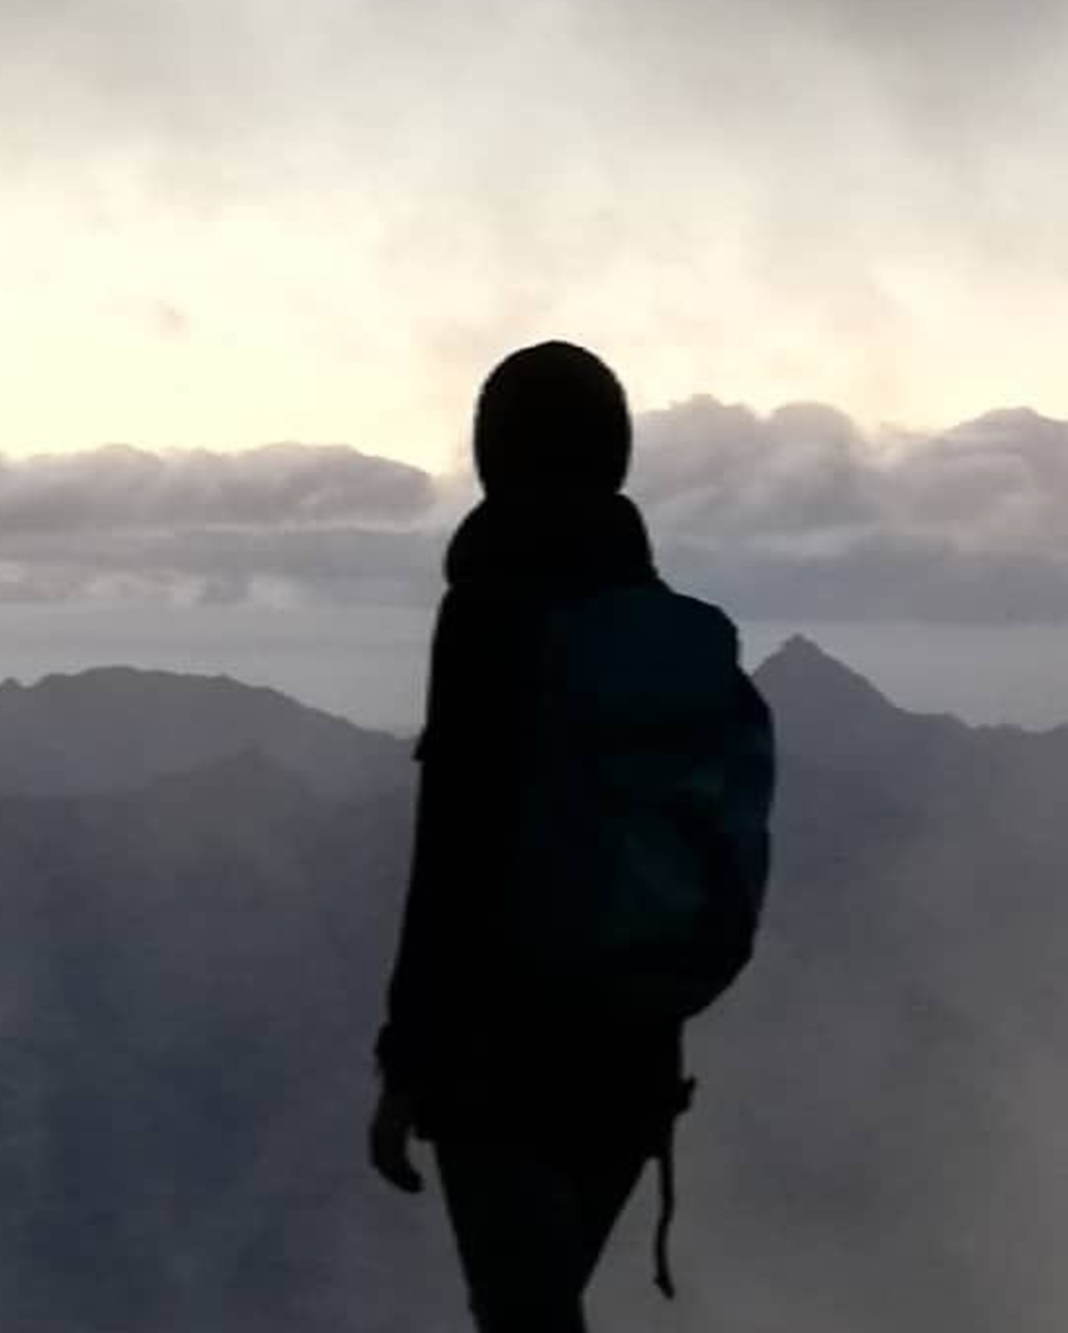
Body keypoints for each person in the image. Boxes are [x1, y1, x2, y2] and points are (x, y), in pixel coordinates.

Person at [369, 340, 774, 1332]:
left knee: (522, 1313)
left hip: (499, 1055)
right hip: (635, 1051)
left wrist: (402, 1067)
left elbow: (455, 847)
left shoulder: (491, 611)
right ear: (616, 459)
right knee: (546, 1306)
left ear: (489, 455)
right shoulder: (661, 629)